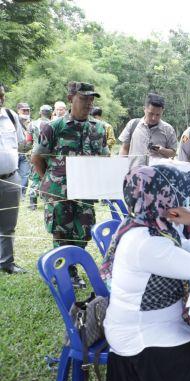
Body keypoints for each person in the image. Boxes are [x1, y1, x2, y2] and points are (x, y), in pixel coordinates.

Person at [101, 164, 190, 381]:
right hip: (142, 337)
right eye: (178, 194)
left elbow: (182, 247)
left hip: (157, 324)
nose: (183, 199)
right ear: (162, 197)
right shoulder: (147, 242)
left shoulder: (148, 224)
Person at [31, 82, 109, 288]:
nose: (89, 103)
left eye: (91, 99)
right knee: (61, 231)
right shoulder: (54, 127)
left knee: (84, 231)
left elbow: (104, 158)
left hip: (86, 191)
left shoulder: (98, 128)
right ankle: (65, 271)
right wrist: (51, 183)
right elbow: (37, 158)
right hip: (59, 191)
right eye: (83, 98)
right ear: (70, 99)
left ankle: (71, 265)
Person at [0, 82, 26, 274]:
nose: (1, 99)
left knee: (8, 225)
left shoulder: (11, 116)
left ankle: (6, 262)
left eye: (2, 95)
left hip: (11, 178)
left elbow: (20, 143)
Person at [119, 93, 177, 169]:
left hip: (157, 173)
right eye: (151, 114)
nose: (154, 118)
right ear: (144, 109)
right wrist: (121, 168)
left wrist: (162, 150)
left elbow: (173, 153)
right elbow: (125, 149)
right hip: (134, 172)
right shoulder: (133, 124)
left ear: (162, 111)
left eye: (158, 115)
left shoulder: (168, 130)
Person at [28, 104, 53, 210]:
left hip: (36, 154)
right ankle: (47, 199)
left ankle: (32, 203)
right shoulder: (53, 124)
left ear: (40, 112)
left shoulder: (32, 124)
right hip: (50, 155)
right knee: (49, 177)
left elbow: (28, 141)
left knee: (35, 177)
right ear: (51, 113)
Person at [16, 102, 33, 198]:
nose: (26, 112)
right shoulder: (13, 121)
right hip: (14, 152)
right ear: (18, 110)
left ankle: (21, 195)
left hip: (26, 153)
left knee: (25, 174)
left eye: (28, 110)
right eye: (24, 110)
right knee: (13, 174)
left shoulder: (31, 122)